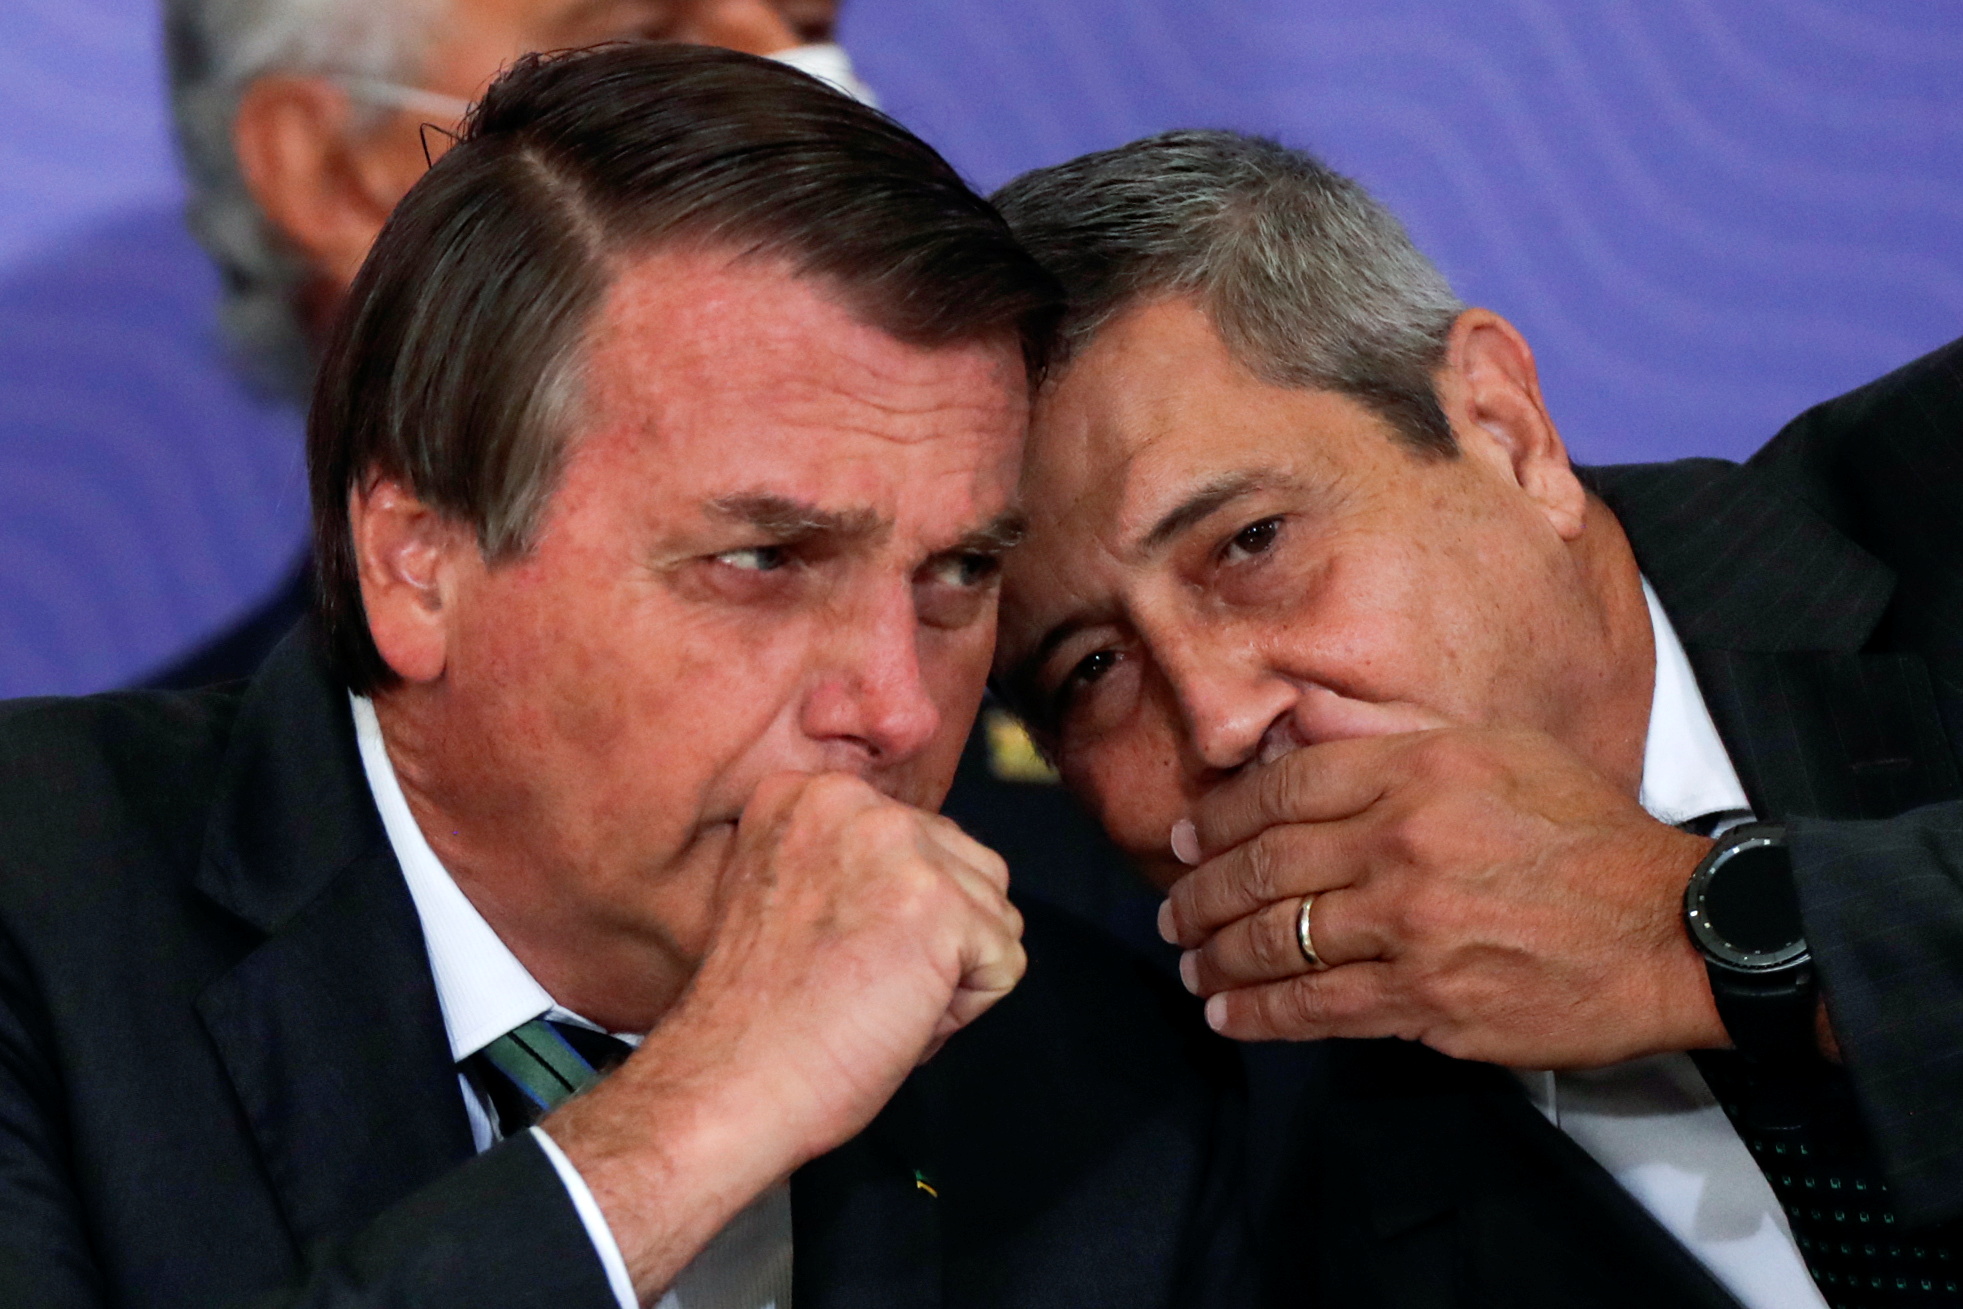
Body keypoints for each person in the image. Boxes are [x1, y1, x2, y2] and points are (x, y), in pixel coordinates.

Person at [0, 50, 1251, 1309]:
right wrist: (702, 1115)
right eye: (763, 559)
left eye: (958, 573)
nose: (898, 709)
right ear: (417, 561)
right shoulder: (40, 909)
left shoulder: (1100, 1099)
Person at [988, 129, 1963, 1309]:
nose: (1217, 718)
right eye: (1091, 667)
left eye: (1250, 541)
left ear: (1504, 430)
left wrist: (1698, 935)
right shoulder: (1206, 1188)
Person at [151, 0, 873, 687]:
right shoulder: (148, 807)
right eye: (647, 39)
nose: (799, 87)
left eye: (808, 27)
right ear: (335, 176)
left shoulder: (980, 692)